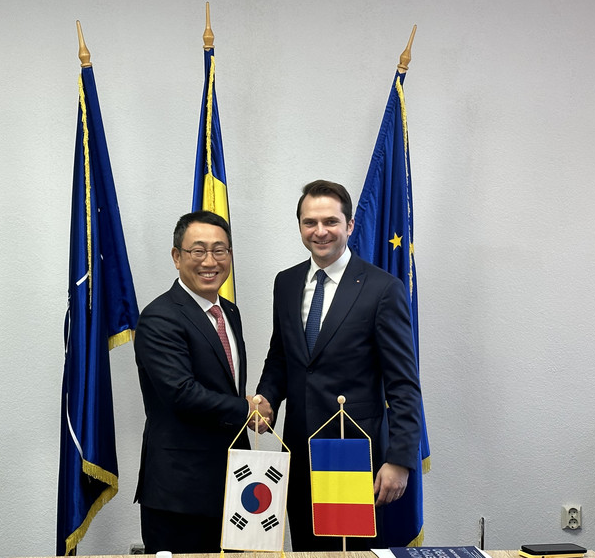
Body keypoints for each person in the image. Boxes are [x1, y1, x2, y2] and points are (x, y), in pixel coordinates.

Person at [256, 180, 423, 551]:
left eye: (330, 221)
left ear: (349, 225)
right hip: (298, 453)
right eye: (310, 222)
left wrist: (400, 460)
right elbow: (281, 356)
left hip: (355, 455)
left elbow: (403, 384)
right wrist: (267, 396)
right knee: (307, 550)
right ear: (300, 226)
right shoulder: (285, 283)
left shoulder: (382, 288)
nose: (320, 231)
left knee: (351, 553)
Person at [134, 210, 272, 553]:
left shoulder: (229, 312)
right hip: (180, 494)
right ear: (176, 256)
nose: (210, 261)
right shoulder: (159, 317)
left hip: (235, 486)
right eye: (198, 251)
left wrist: (252, 407)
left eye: (219, 250)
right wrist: (246, 409)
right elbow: (181, 393)